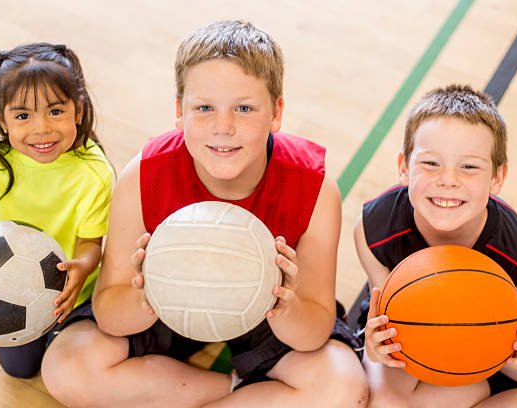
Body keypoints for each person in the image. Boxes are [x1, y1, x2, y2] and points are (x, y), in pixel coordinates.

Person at [41, 20, 369, 407]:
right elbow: (111, 312)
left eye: (244, 108)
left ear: (276, 112)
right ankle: (233, 393)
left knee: (345, 386)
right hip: (166, 305)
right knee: (67, 366)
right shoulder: (146, 175)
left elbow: (312, 331)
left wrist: (285, 304)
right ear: (179, 112)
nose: (223, 127)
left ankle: (172, 395)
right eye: (204, 108)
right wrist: (146, 291)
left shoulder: (312, 187)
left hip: (266, 315)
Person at [354, 84, 517, 407]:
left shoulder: (516, 250)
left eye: (469, 167)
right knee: (384, 400)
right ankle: (472, 391)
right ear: (403, 168)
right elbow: (390, 331)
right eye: (430, 164)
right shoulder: (375, 230)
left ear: (497, 177)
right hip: (416, 343)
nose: (448, 180)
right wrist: (375, 347)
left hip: (490, 340)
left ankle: (473, 389)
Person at [0, 42, 114, 379]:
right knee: (19, 369)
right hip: (12, 289)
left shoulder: (95, 173)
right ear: (2, 120)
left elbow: (92, 243)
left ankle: (75, 327)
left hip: (71, 294)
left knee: (83, 355)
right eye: (22, 116)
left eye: (55, 111)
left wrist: (83, 266)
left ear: (78, 109)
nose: (41, 128)